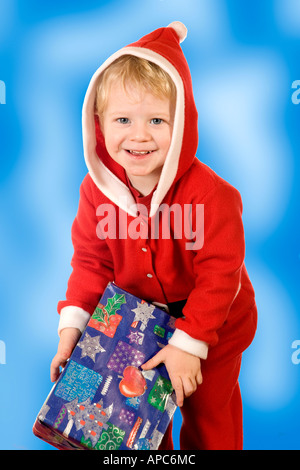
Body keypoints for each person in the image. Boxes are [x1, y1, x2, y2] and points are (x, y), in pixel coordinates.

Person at [50, 21, 257, 450]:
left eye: (157, 120)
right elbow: (91, 261)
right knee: (132, 422)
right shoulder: (97, 191)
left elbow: (221, 273)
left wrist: (191, 340)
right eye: (123, 119)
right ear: (100, 125)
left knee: (210, 414)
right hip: (136, 323)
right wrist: (75, 323)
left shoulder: (213, 197)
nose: (139, 135)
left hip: (211, 322)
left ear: (182, 124)